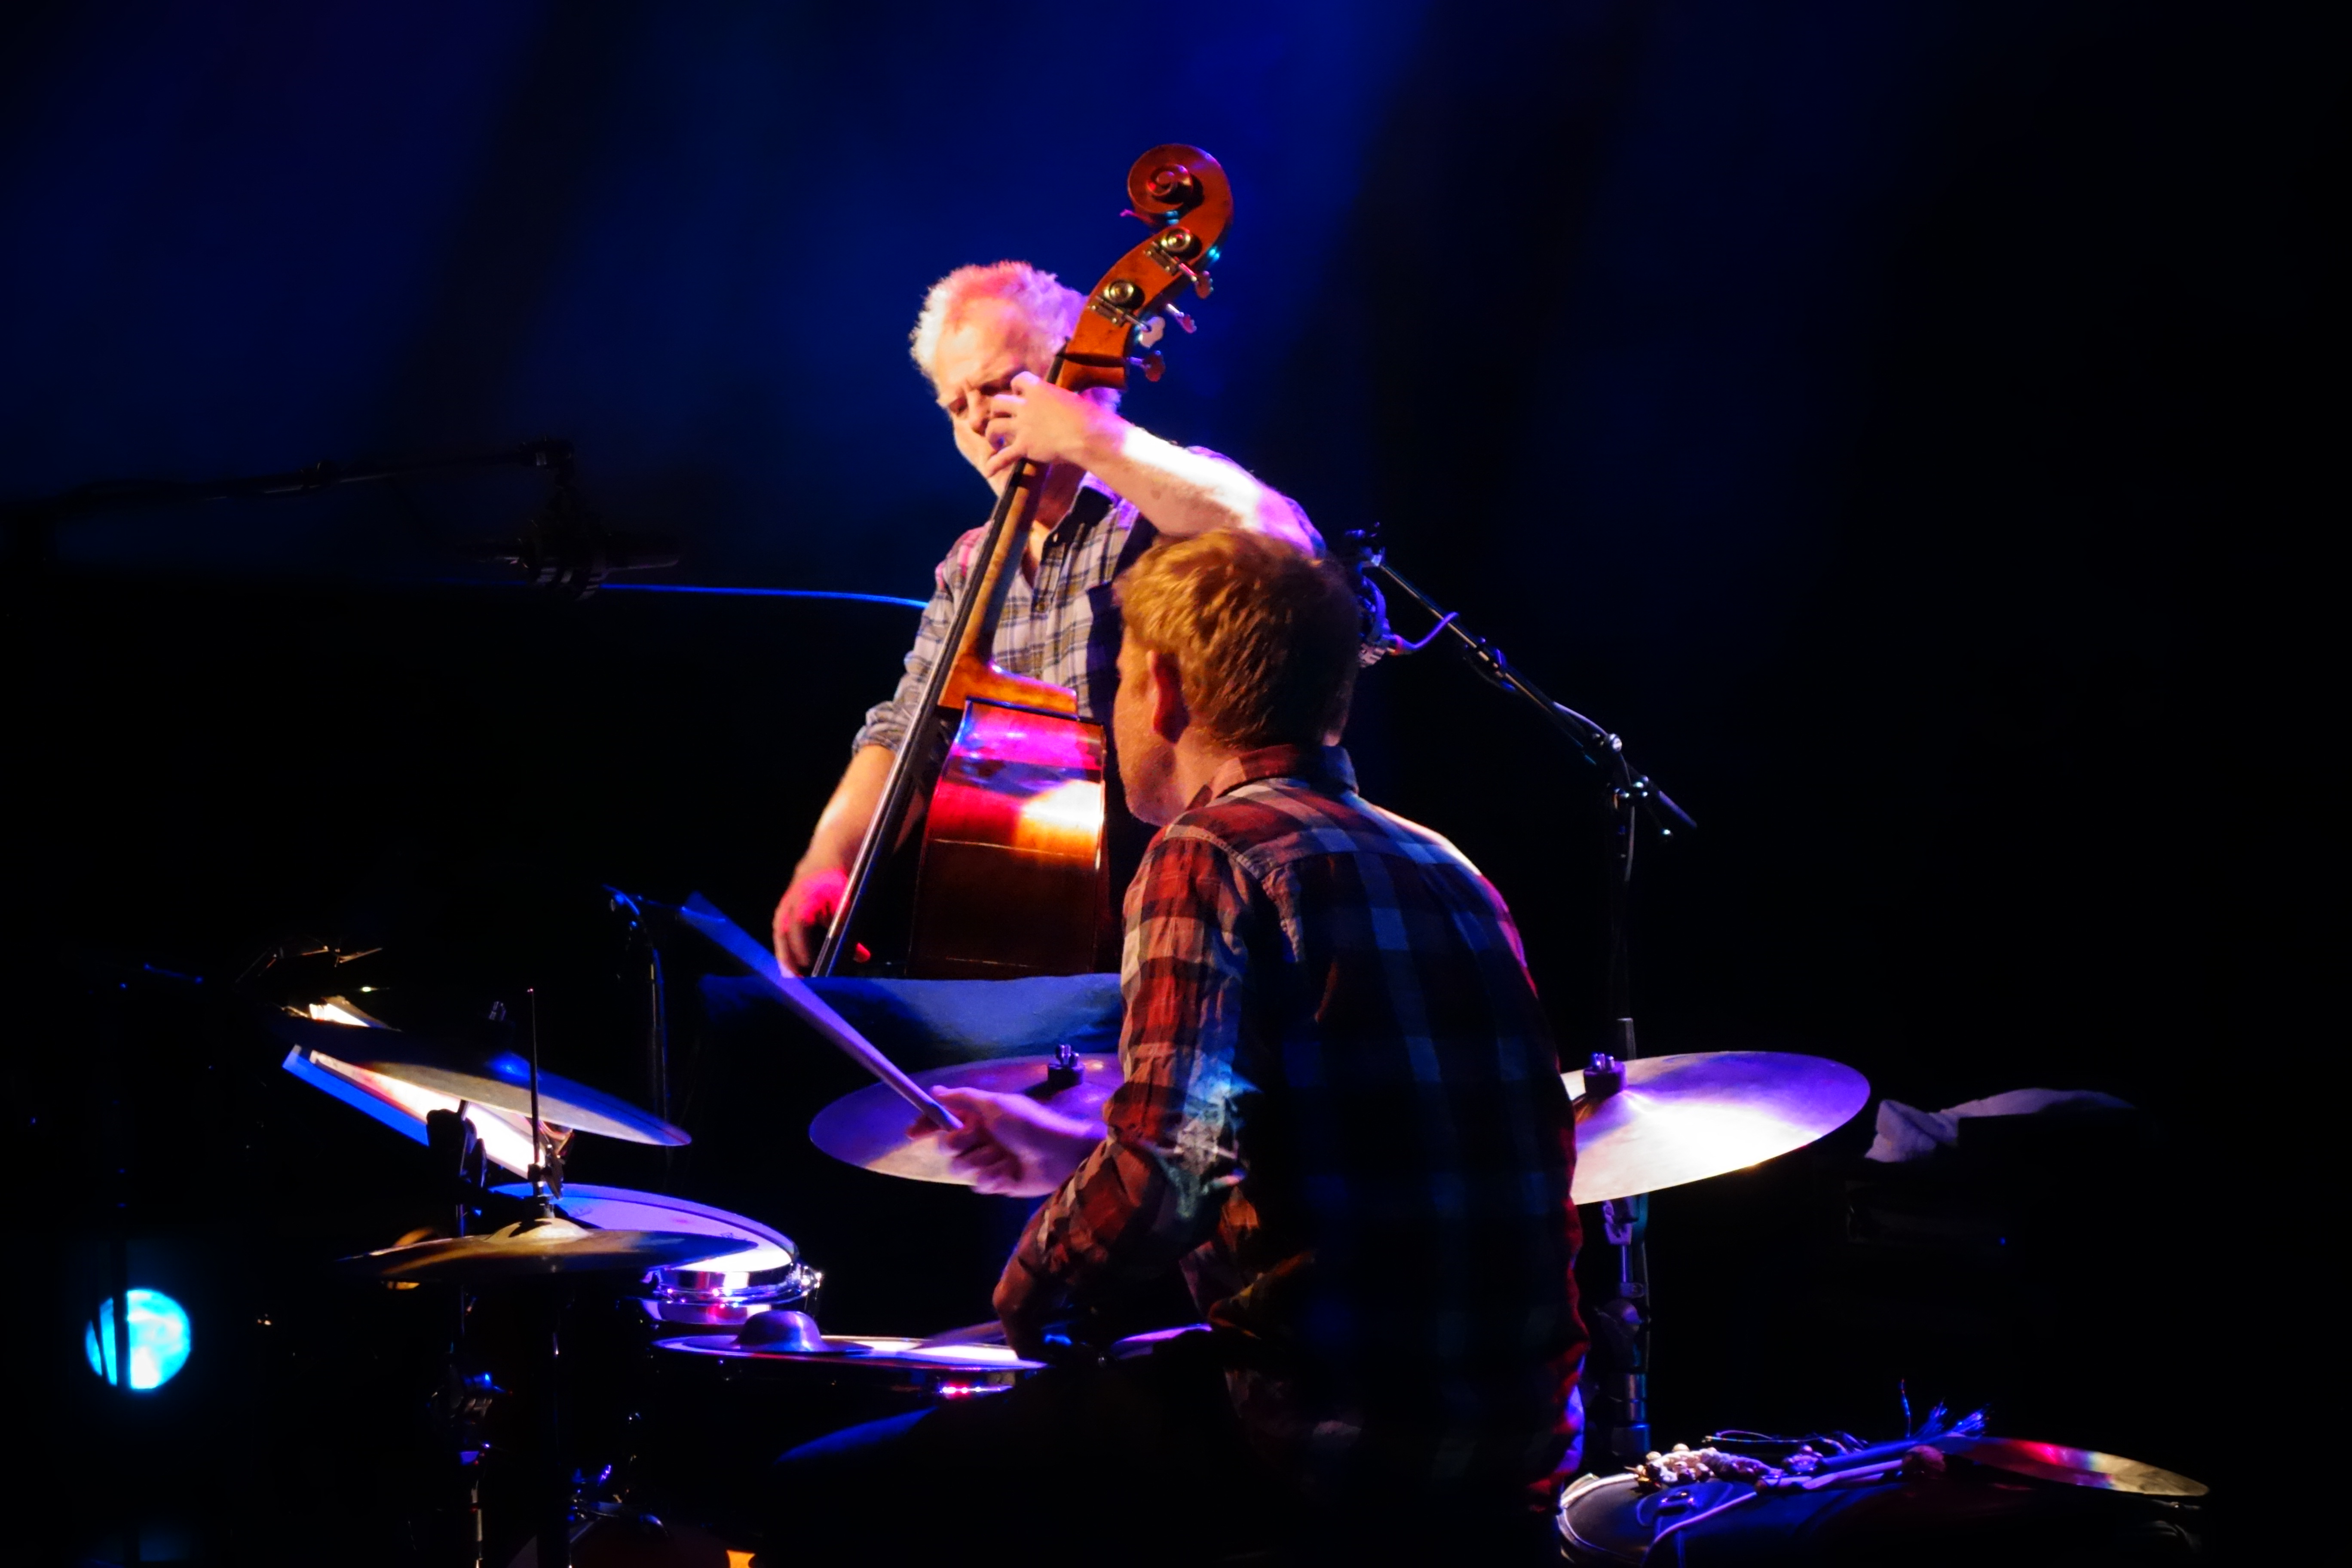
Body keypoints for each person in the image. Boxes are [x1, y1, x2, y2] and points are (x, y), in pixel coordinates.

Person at [763, 531, 1584, 1565]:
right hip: (1510, 1444)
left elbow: (1173, 1171)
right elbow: (1350, 1141)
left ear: (1159, 687)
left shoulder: (1209, 853)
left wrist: (1031, 1295)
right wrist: (1072, 1150)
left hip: (1323, 1438)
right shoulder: (1446, 865)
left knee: (823, 1491)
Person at [771, 260, 1317, 974]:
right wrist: (827, 863)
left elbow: (1282, 543)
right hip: (1042, 929)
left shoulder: (1155, 508)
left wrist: (1090, 436)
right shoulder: (970, 563)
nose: (975, 419)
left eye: (999, 387)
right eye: (953, 403)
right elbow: (911, 727)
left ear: (1077, 380)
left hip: (1196, 908)